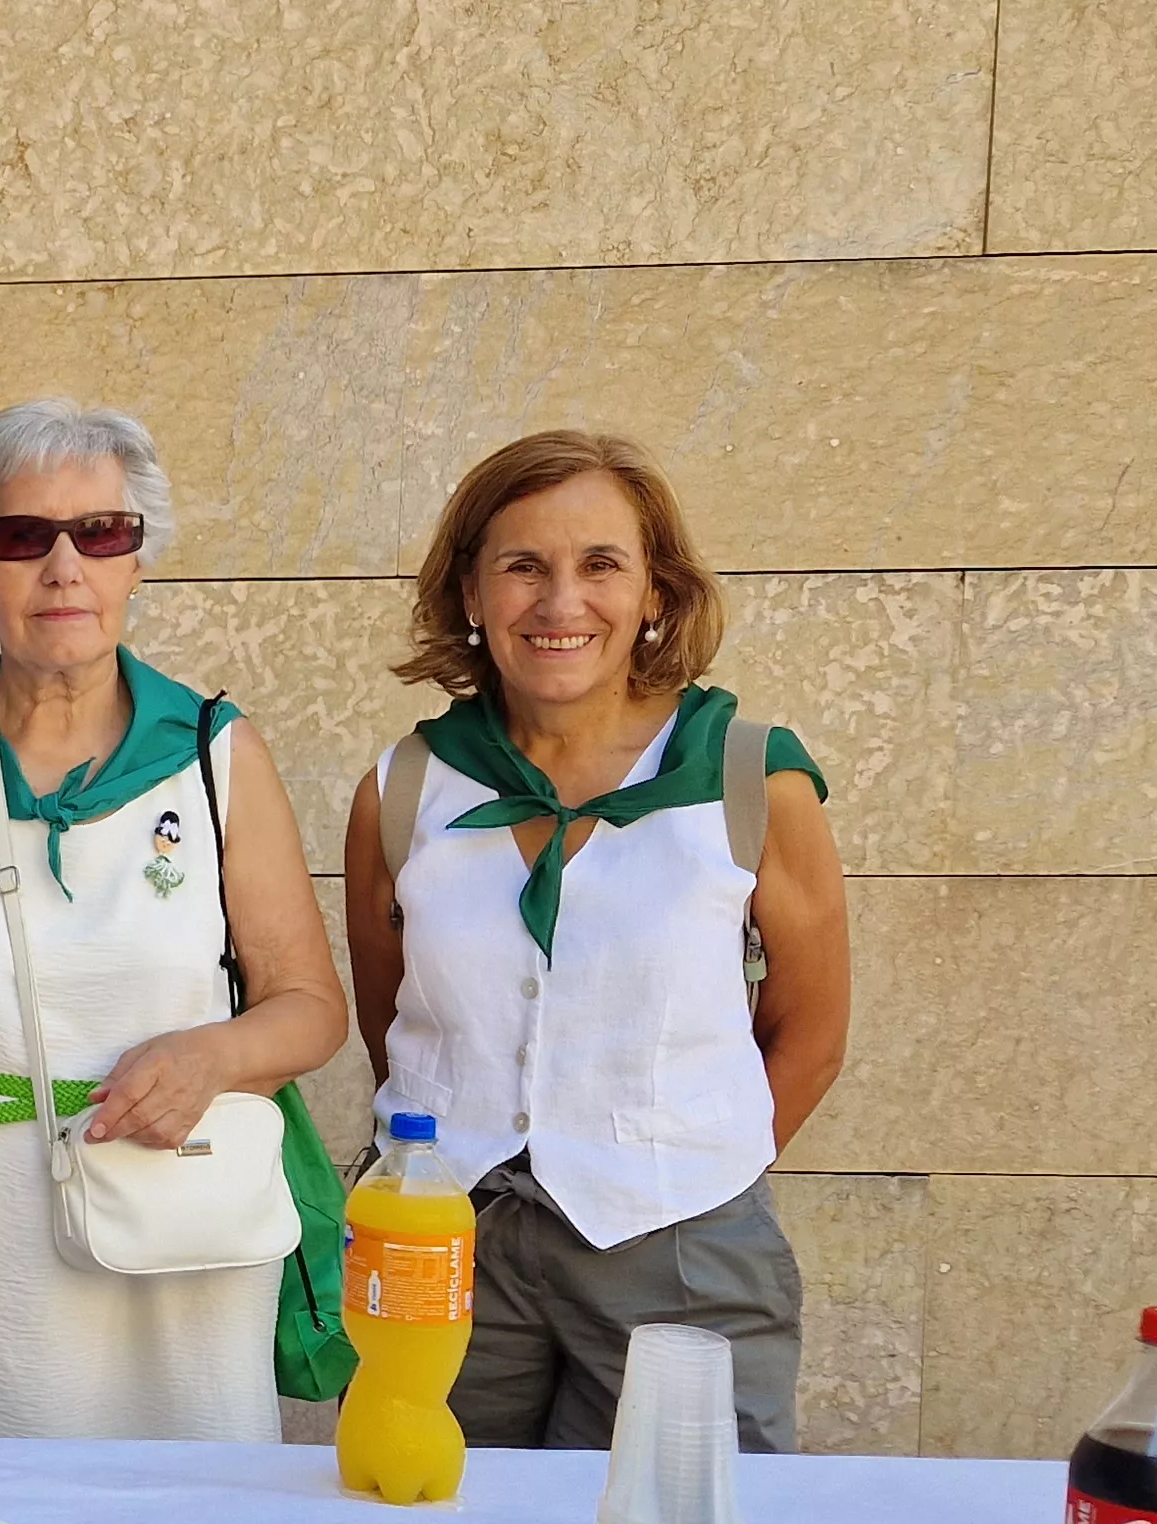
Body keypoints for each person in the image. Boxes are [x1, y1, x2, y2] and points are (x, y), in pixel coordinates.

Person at [0, 399, 346, 1441]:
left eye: (100, 533)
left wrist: (211, 1058)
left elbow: (310, 1011)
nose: (65, 568)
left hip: (170, 1216)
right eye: (22, 538)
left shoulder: (213, 756)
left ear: (135, 562)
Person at [346, 429, 849, 1453]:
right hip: (444, 1251)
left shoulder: (750, 778)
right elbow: (392, 1016)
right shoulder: (404, 791)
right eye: (521, 566)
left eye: (600, 565)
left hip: (682, 1252)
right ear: (470, 596)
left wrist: (686, 1180)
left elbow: (810, 1031)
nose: (559, 601)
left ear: (655, 593)